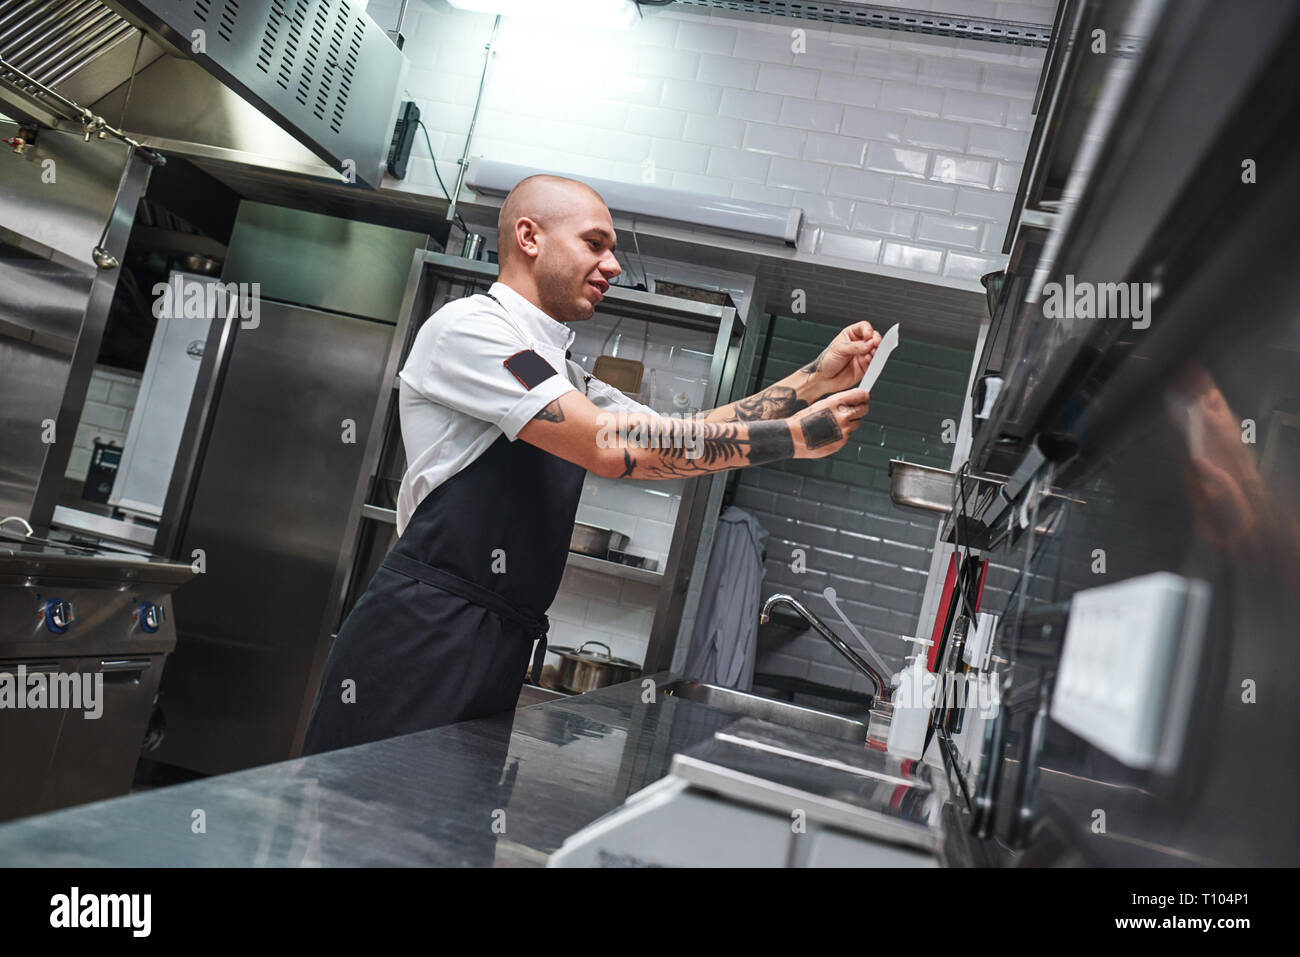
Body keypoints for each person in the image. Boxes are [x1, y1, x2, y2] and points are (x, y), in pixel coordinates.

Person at [301, 174, 881, 754]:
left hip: (498, 639)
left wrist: (812, 381)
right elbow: (605, 446)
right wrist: (791, 440)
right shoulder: (471, 330)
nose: (613, 266)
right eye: (595, 243)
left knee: (448, 831)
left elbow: (675, 437)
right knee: (374, 822)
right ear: (529, 236)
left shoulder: (556, 370)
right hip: (424, 634)